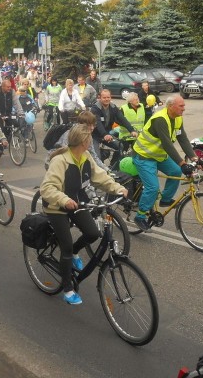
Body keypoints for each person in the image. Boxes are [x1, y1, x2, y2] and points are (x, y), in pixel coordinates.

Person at [40, 124, 128, 305]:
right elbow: (47, 188)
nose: (91, 142)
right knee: (65, 246)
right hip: (57, 206)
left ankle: (74, 253)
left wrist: (117, 188)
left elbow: (100, 177)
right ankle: (67, 289)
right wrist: (63, 200)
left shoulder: (85, 156)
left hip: (77, 202)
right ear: (84, 142)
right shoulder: (61, 161)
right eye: (89, 139)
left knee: (93, 233)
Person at [132, 95, 197, 231]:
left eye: (184, 106)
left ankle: (165, 199)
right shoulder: (160, 119)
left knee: (175, 171)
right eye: (181, 106)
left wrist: (195, 158)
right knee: (153, 188)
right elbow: (167, 144)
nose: (184, 109)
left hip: (159, 155)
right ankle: (140, 216)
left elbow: (182, 138)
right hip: (144, 156)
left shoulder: (177, 118)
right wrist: (182, 163)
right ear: (170, 106)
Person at [90, 89, 138, 167]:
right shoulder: (95, 108)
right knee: (97, 156)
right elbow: (98, 123)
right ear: (100, 98)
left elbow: (122, 118)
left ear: (110, 97)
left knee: (120, 146)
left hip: (106, 134)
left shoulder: (113, 107)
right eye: (104, 97)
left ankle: (113, 166)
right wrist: (105, 134)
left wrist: (131, 130)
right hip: (94, 135)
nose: (106, 99)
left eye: (108, 97)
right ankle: (96, 174)